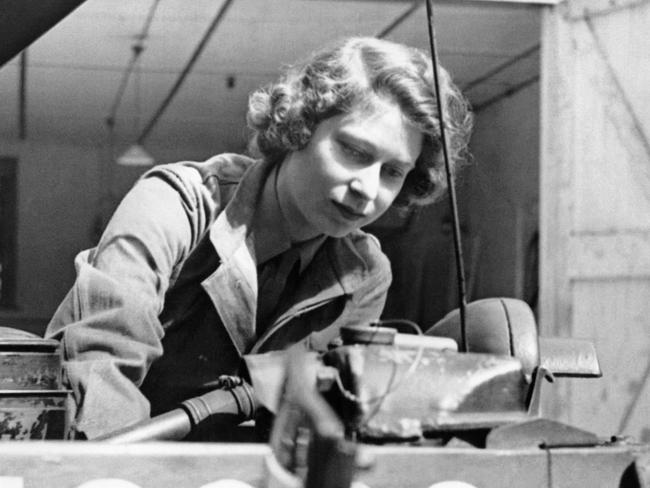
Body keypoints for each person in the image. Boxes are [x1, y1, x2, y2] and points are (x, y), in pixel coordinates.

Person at [45, 36, 473, 440]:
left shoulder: (364, 273)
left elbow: (320, 417)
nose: (368, 187)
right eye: (354, 151)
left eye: (393, 171)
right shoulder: (177, 206)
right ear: (299, 129)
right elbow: (103, 367)